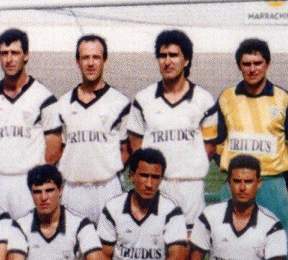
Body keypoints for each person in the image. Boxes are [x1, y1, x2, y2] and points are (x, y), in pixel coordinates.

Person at [127, 29, 217, 229]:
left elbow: (210, 147)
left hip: (190, 187)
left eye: (174, 55)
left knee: (189, 244)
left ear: (186, 60)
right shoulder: (143, 99)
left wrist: (187, 165)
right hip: (155, 186)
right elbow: (136, 145)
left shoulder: (204, 99)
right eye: (162, 56)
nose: (167, 61)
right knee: (153, 242)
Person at [0, 28, 60, 219]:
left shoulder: (44, 97)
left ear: (26, 55)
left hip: (29, 183)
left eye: (15, 53)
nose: (9, 59)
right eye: (4, 53)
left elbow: (54, 149)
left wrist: (35, 177)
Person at [215, 38, 288, 239]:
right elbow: (216, 141)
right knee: (230, 241)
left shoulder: (283, 98)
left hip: (272, 184)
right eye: (246, 64)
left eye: (258, 63)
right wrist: (228, 168)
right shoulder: (227, 97)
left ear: (267, 64)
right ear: (239, 66)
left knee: (278, 243)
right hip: (235, 184)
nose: (252, 69)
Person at [54, 34, 131, 223]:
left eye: (96, 57)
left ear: (105, 60)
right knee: (75, 241)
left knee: (110, 240)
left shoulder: (120, 102)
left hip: (108, 188)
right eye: (85, 57)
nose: (90, 63)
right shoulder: (63, 104)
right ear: (77, 62)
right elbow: (59, 148)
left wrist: (105, 169)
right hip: (74, 189)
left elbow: (127, 149)